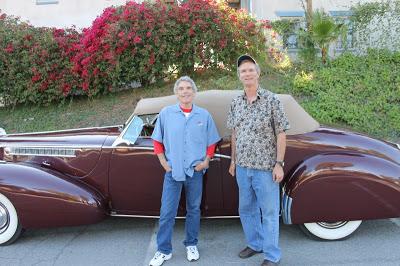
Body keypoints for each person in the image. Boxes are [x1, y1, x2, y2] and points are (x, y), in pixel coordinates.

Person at [149, 76, 221, 266]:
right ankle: (163, 250)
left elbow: (211, 141)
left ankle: (191, 244)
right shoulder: (166, 113)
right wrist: (164, 163)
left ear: (194, 92)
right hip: (172, 172)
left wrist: (206, 161)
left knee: (194, 209)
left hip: (195, 172)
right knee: (167, 212)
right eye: (181, 88)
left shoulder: (203, 115)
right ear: (176, 92)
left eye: (189, 88)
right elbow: (157, 141)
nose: (185, 91)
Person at [227, 55, 290, 266]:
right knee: (246, 209)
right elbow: (234, 134)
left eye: (250, 70)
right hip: (243, 168)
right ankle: (255, 244)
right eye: (243, 71)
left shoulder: (272, 100)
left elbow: (281, 133)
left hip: (265, 168)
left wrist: (279, 164)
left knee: (270, 213)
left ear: (258, 73)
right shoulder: (236, 102)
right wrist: (233, 161)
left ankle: (272, 255)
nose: (247, 74)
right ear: (239, 76)